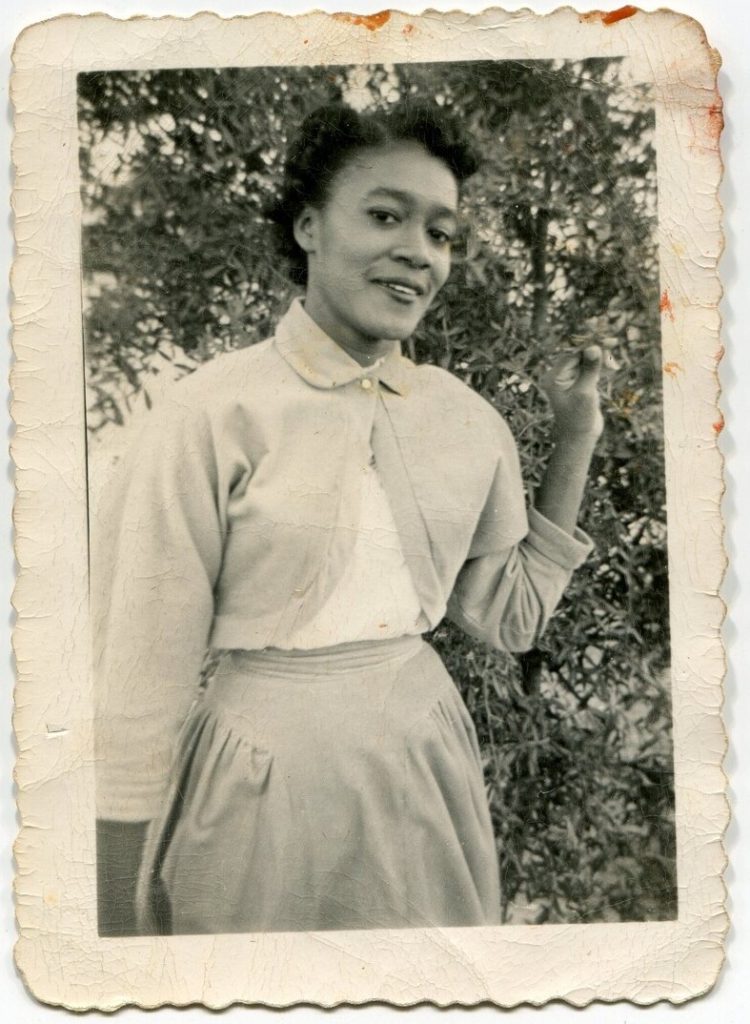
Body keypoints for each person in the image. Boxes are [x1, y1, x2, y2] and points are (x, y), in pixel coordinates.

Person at [94, 101, 603, 936]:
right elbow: (137, 682)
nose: (418, 252)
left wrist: (576, 435)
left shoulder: (465, 420)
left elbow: (509, 619)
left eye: (441, 234)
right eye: (383, 215)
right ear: (308, 227)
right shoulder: (210, 414)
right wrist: (113, 923)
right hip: (257, 780)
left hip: (423, 764)